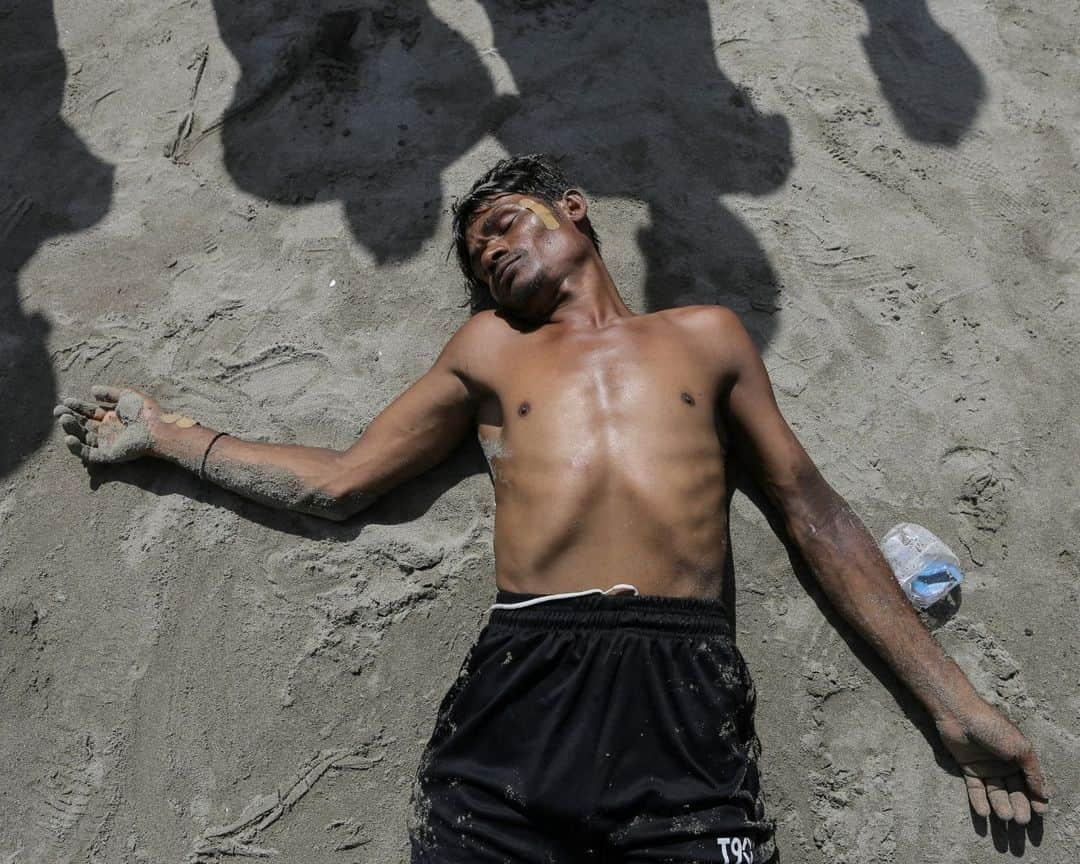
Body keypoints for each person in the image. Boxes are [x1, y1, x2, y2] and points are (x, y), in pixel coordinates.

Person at [55, 154, 1048, 863]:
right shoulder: (491, 349)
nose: (489, 259)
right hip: (528, 671)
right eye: (478, 261)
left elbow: (811, 511)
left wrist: (953, 704)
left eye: (501, 226)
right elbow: (343, 480)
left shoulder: (705, 336)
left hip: (684, 682)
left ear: (573, 210)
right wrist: (174, 437)